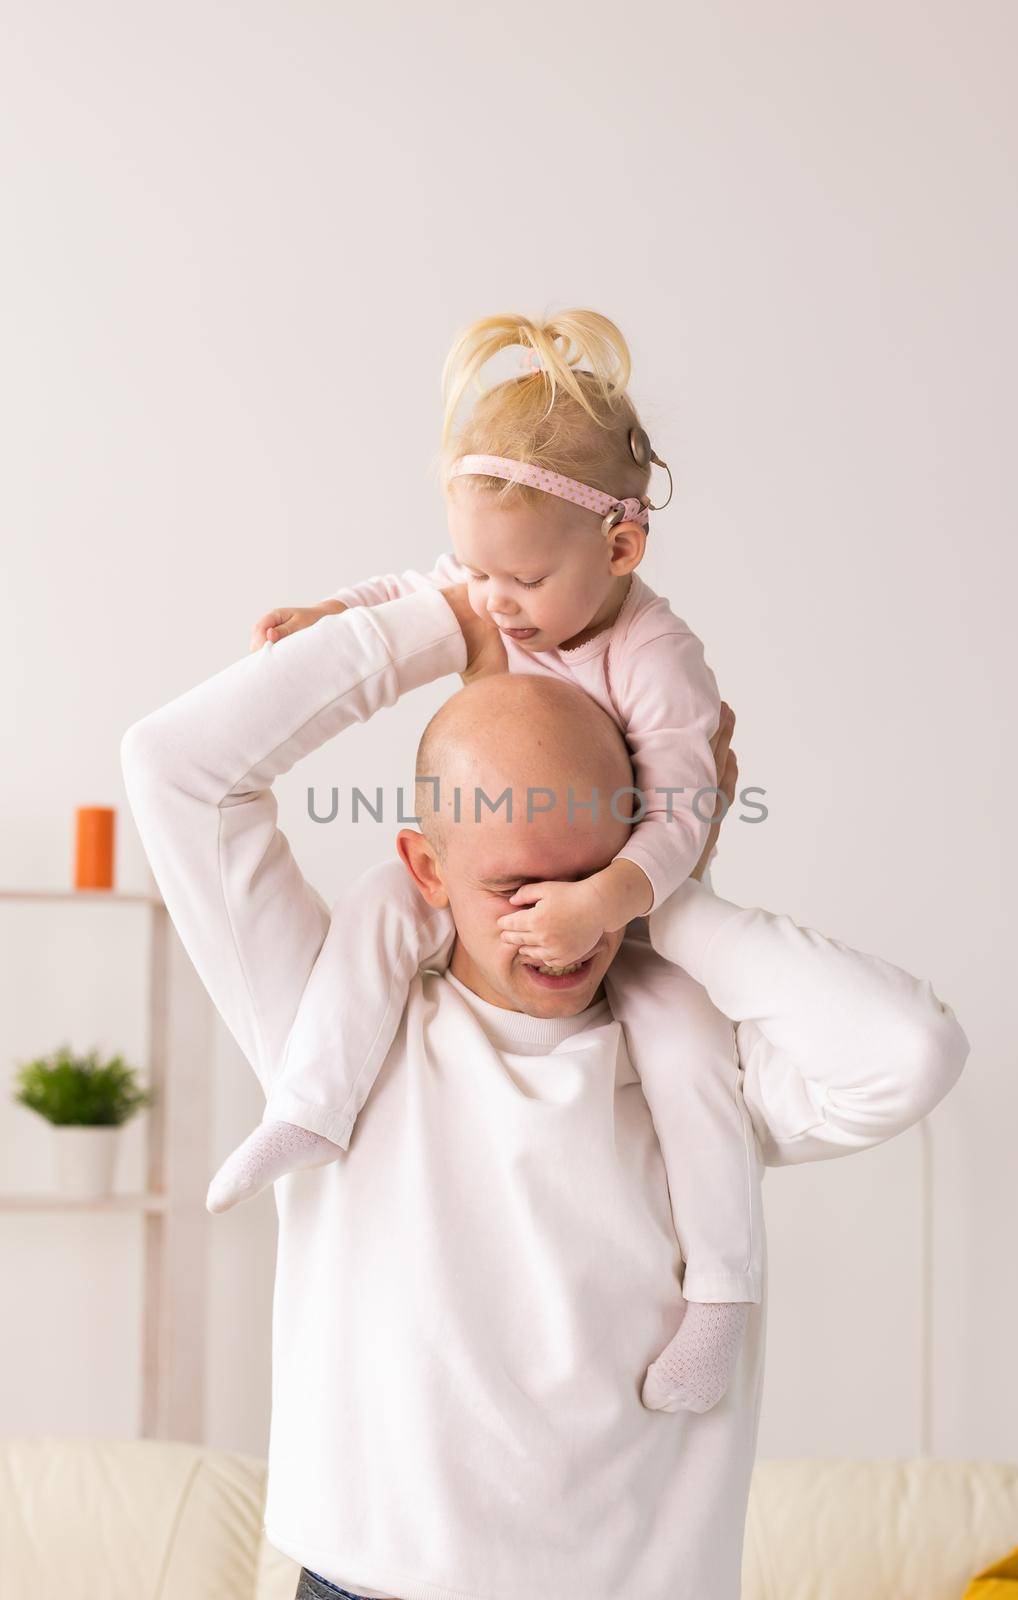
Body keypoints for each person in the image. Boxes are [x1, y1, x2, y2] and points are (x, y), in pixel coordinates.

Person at [120, 584, 968, 1600]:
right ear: (425, 868)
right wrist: (451, 613)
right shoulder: (333, 1027)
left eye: (587, 873)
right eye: (517, 887)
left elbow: (910, 1050)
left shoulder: (693, 1067)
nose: (560, 925)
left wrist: (661, 888)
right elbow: (176, 767)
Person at [206, 307, 762, 1417]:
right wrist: (335, 614)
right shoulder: (502, 579)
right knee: (376, 905)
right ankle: (314, 1101)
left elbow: (686, 811)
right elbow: (417, 594)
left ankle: (720, 1296)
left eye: (515, 583)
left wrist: (603, 903)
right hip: (501, 874)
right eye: (477, 573)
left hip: (627, 903)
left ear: (619, 549)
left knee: (692, 1053)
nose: (491, 605)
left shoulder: (656, 656)